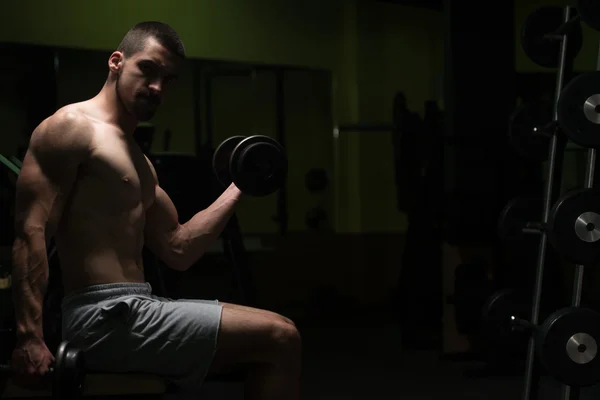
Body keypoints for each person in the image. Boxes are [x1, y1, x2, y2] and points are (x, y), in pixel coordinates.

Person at [10, 21, 302, 399]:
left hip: (138, 308)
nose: (157, 88)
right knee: (281, 335)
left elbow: (179, 248)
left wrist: (241, 184)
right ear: (117, 62)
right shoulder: (72, 127)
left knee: (272, 344)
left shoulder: (139, 162)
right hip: (102, 317)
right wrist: (29, 337)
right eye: (147, 69)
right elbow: (30, 233)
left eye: (169, 79)